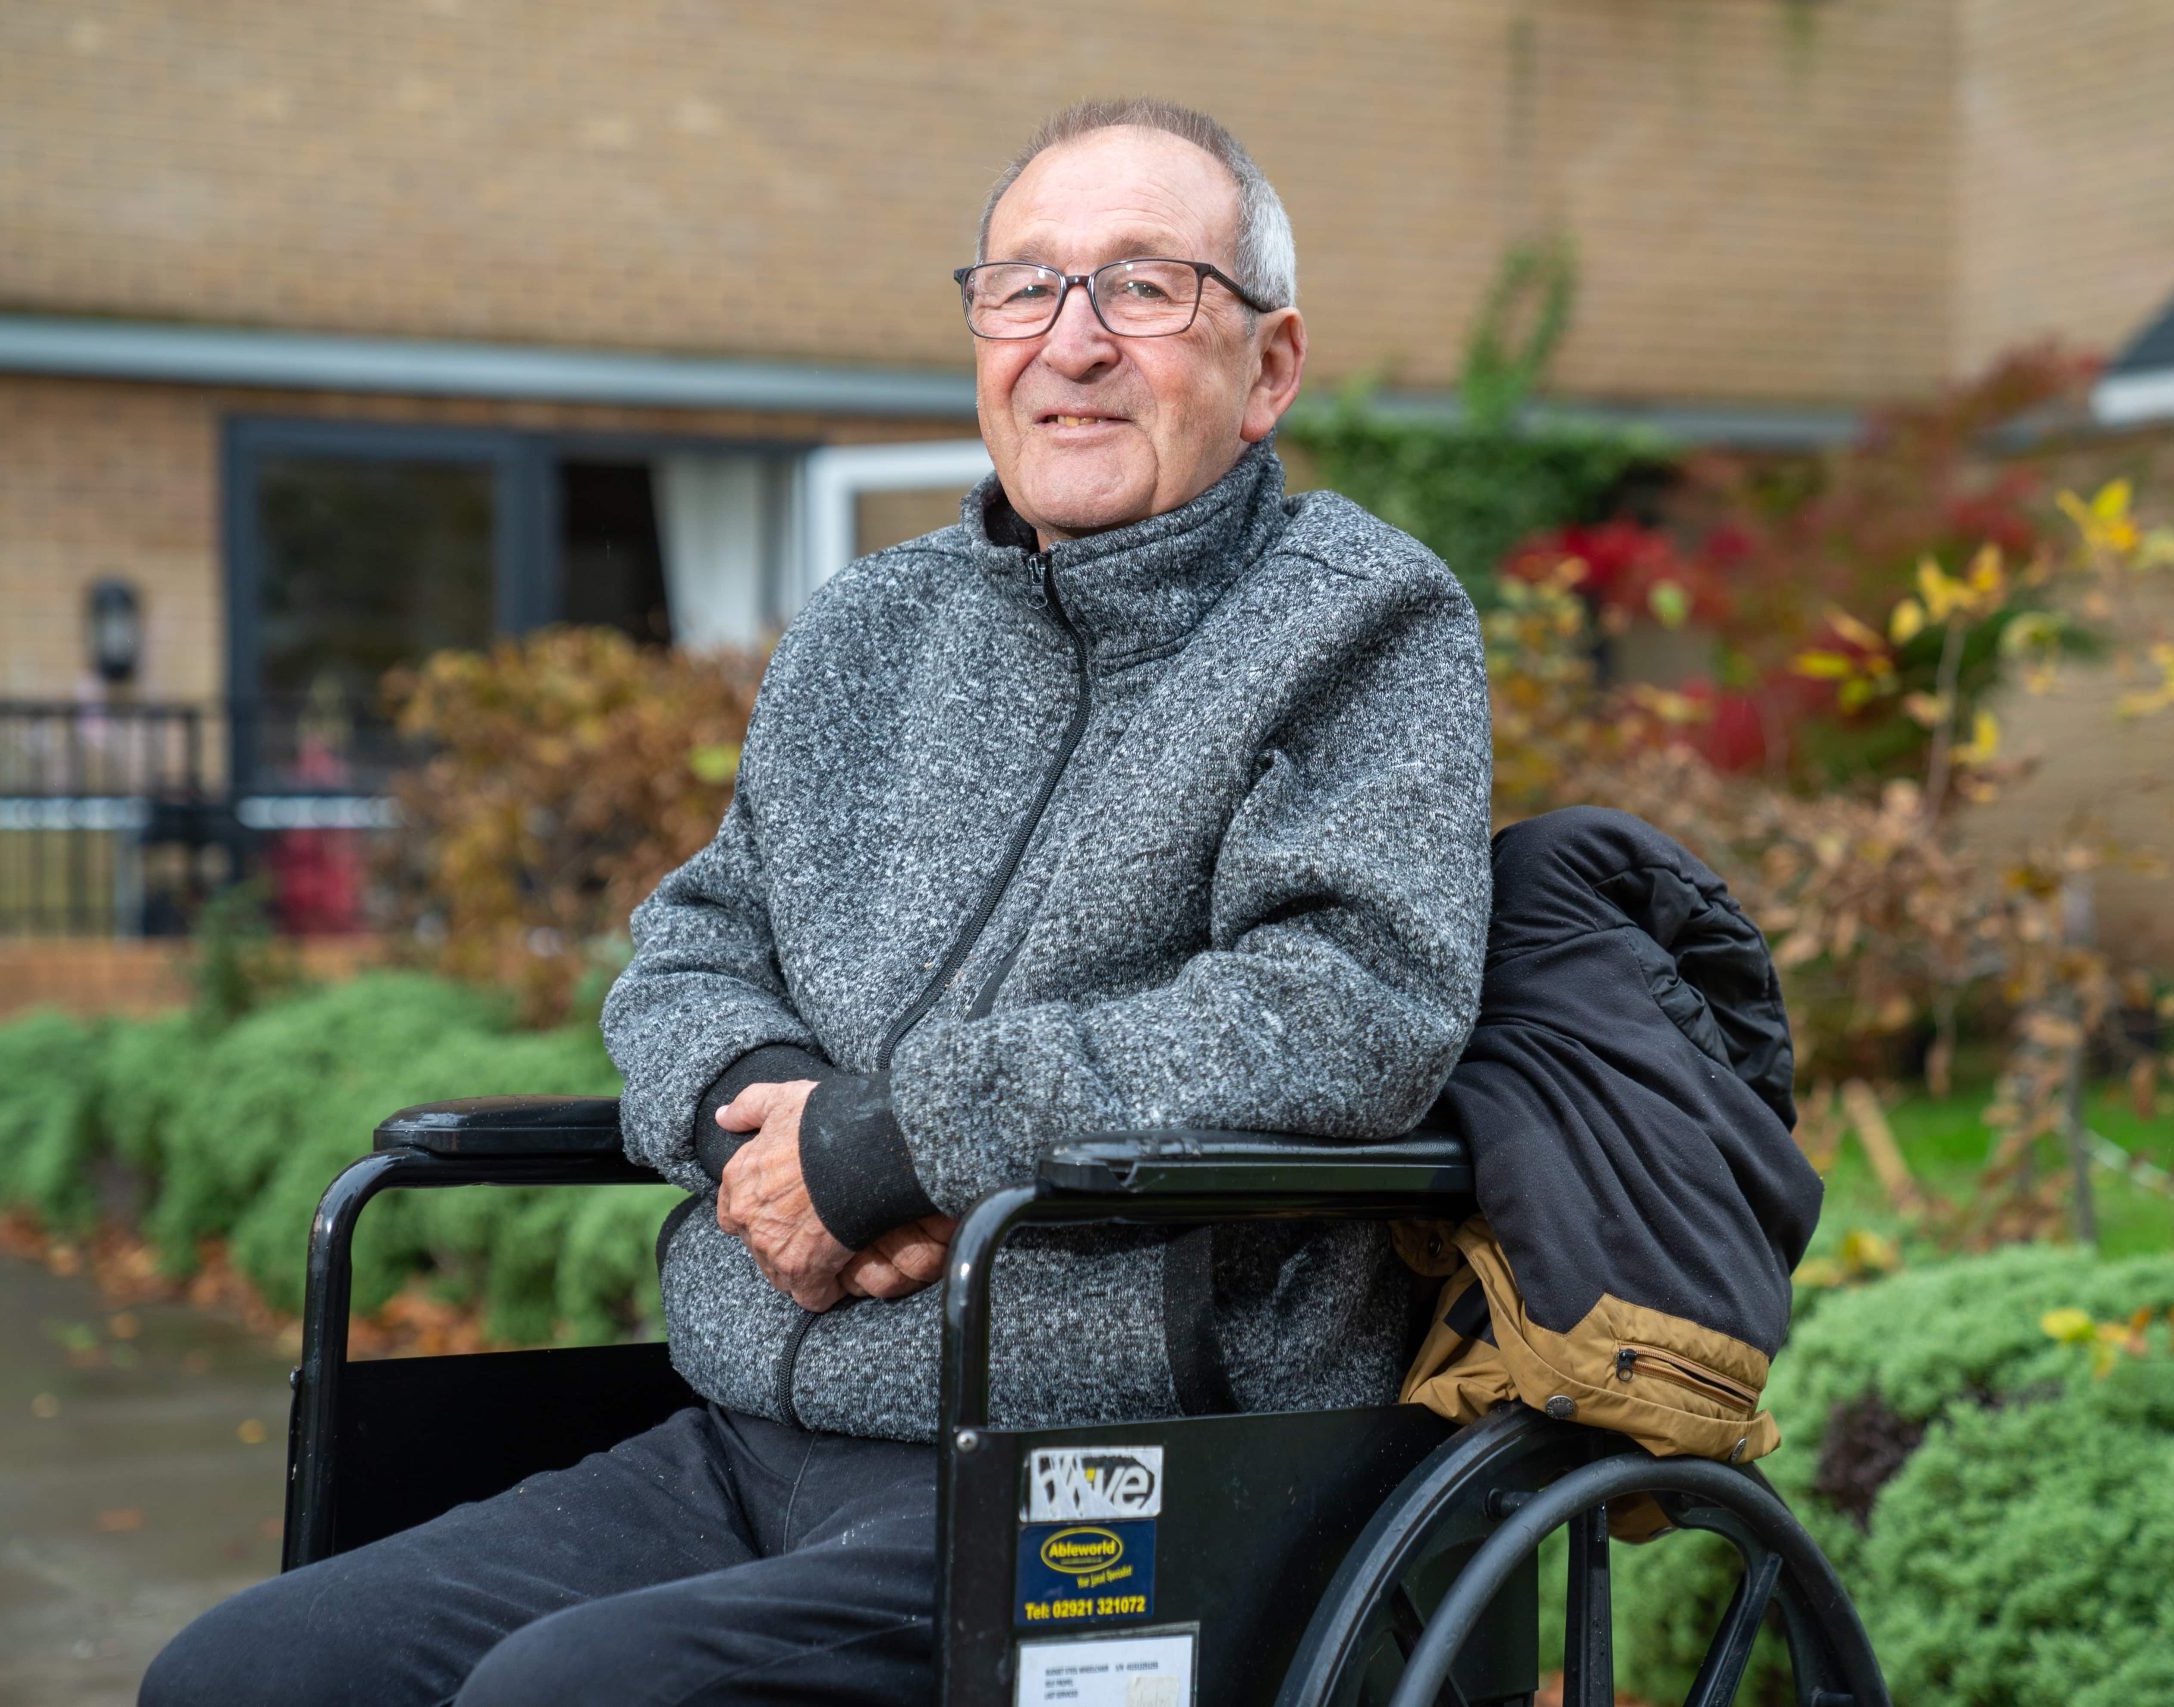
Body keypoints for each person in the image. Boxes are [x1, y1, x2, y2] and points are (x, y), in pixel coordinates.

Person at [142, 97, 1492, 1707]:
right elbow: (695, 940)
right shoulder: (871, 628)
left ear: (1268, 368)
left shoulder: (1363, 625)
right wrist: (748, 1130)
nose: (1072, 343)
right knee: (249, 1674)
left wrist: (894, 1142)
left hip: (1106, 1469)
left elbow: (1345, 1009)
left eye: (1144, 286)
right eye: (1024, 288)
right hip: (745, 1432)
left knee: (568, 1698)